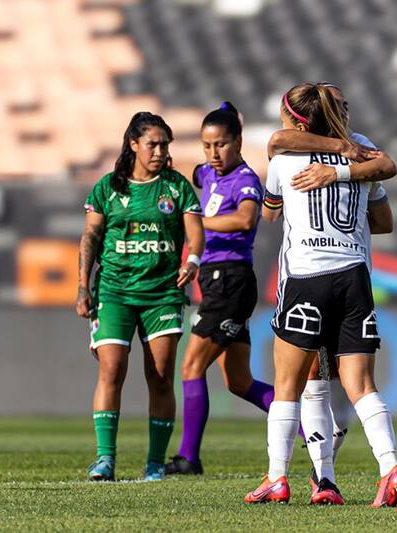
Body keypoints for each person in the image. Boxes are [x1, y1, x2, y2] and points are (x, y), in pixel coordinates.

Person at [245, 83, 397, 507]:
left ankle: (278, 477)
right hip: (354, 276)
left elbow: (270, 210)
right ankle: (387, 468)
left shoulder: (284, 157)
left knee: (289, 385)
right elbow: (384, 221)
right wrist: (349, 180)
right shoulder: (363, 149)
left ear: (297, 119)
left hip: (306, 275)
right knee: (360, 384)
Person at [76, 111, 204, 482]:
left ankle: (154, 463)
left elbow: (195, 234)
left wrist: (192, 259)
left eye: (166, 144)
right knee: (112, 369)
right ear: (133, 144)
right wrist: (83, 286)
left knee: (161, 375)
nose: (161, 151)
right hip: (114, 291)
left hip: (163, 293)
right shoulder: (107, 188)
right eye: (153, 144)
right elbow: (90, 238)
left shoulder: (176, 187)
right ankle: (104, 459)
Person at [164, 102, 276, 475]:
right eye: (207, 145)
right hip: (218, 282)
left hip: (229, 280)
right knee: (239, 381)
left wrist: (198, 221)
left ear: (238, 142)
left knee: (191, 366)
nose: (214, 153)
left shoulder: (245, 179)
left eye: (222, 144)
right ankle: (313, 430)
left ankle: (189, 458)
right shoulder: (209, 174)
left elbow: (245, 218)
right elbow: (188, 171)